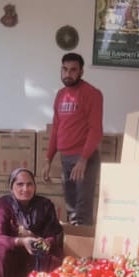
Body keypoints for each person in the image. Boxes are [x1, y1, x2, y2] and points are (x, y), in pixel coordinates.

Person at [42, 52, 103, 226]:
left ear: (81, 72)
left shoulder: (92, 94)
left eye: (73, 70)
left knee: (82, 212)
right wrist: (48, 159)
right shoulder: (61, 95)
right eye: (65, 69)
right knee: (71, 211)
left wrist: (83, 160)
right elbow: (56, 129)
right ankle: (74, 251)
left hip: (84, 159)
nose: (68, 74)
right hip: (66, 159)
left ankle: (83, 251)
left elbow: (96, 130)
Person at [0, 167, 63, 277]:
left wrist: (46, 242)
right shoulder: (3, 205)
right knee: (1, 252)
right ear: (11, 187)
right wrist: (22, 242)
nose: (25, 189)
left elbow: (53, 233)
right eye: (20, 184)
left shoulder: (45, 205)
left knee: (54, 256)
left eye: (29, 184)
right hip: (12, 253)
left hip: (36, 252)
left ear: (35, 186)